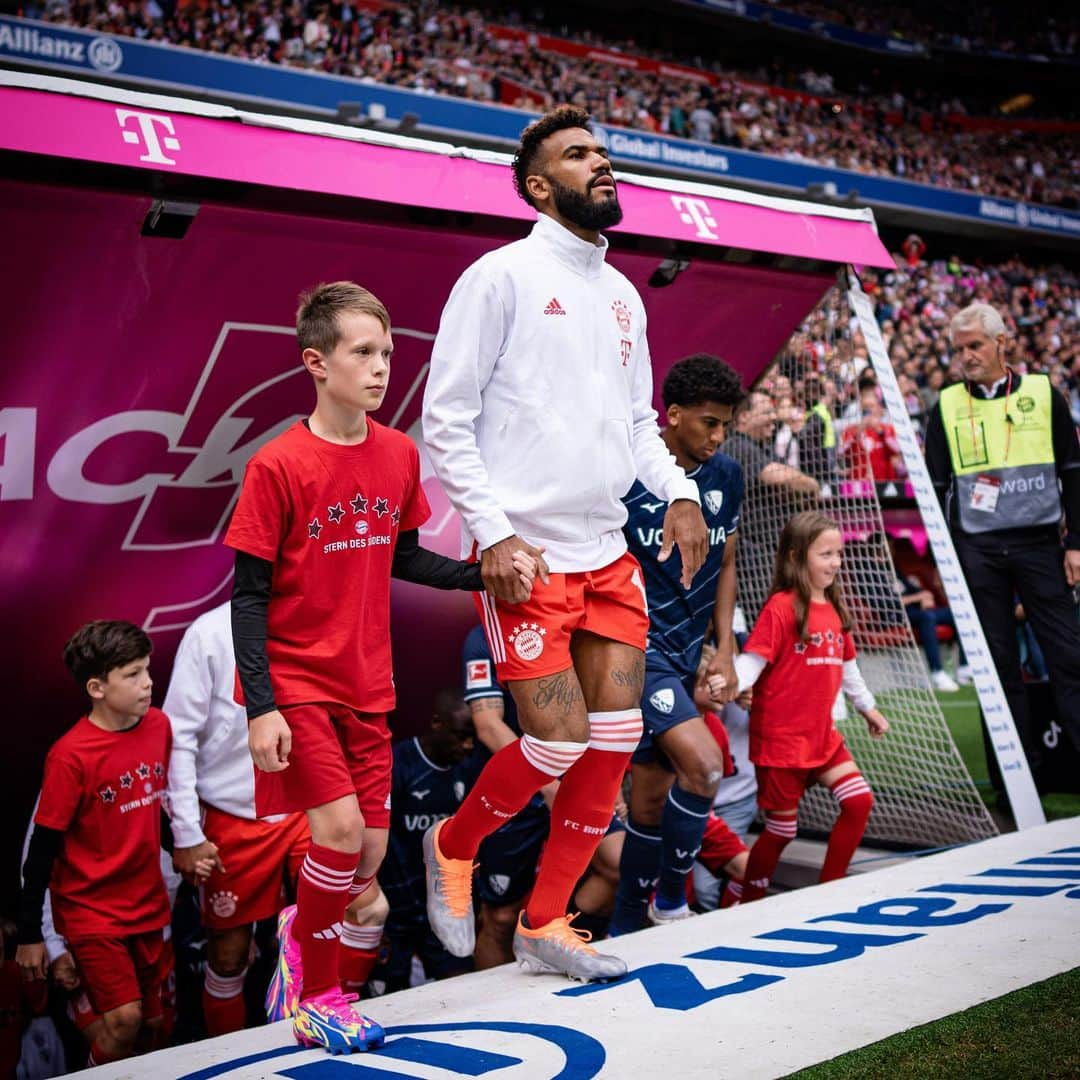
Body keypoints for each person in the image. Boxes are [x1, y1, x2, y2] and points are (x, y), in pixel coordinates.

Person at [421, 104, 708, 982]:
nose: (603, 163)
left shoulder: (623, 295)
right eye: (581, 154)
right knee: (553, 745)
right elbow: (446, 420)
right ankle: (454, 842)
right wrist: (495, 534)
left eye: (606, 151)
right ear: (541, 186)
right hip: (529, 558)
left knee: (615, 740)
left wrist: (685, 493)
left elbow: (634, 424)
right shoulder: (499, 277)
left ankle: (546, 925)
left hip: (606, 552)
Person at [226, 282, 525, 1054]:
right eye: (363, 351)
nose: (381, 366)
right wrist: (262, 707)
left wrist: (482, 570)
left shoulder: (397, 453)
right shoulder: (277, 464)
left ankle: (302, 931)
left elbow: (404, 557)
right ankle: (318, 996)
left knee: (361, 857)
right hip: (295, 684)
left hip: (368, 685)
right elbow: (248, 598)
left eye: (388, 352)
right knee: (336, 835)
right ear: (316, 362)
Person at [610, 353, 745, 933]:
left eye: (725, 424)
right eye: (708, 423)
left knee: (646, 805)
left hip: (690, 654)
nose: (718, 436)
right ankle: (671, 904)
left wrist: (725, 649)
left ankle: (623, 925)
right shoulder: (626, 473)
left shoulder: (728, 477)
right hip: (636, 653)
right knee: (706, 767)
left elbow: (727, 561)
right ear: (672, 416)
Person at [925, 301, 1080, 780]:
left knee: (1069, 656)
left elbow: (1073, 471)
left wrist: (1075, 541)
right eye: (959, 349)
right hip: (978, 550)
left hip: (1040, 545)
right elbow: (936, 487)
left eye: (975, 345)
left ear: (1001, 342)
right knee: (997, 667)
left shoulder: (1043, 392)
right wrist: (949, 559)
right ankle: (1016, 780)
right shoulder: (946, 404)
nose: (966, 356)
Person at [16, 622, 179, 1067]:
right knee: (123, 1021)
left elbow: (155, 811)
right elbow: (41, 849)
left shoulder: (159, 727)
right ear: (97, 687)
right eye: (132, 674)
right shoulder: (70, 756)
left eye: (147, 670)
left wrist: (187, 849)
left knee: (153, 1028)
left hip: (149, 903)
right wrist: (34, 935)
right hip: (92, 912)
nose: (148, 682)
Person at [163, 601, 311, 1035]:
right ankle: (226, 1055)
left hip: (305, 804)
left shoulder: (316, 616)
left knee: (342, 917)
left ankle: (326, 1023)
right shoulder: (209, 633)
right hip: (233, 814)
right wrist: (187, 833)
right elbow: (179, 736)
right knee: (228, 955)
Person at [729, 512, 889, 902]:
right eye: (825, 554)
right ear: (797, 557)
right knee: (782, 831)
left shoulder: (835, 607)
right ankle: (744, 896)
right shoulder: (781, 607)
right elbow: (752, 661)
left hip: (822, 737)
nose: (835, 562)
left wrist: (867, 707)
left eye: (838, 553)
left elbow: (847, 667)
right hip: (781, 741)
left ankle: (830, 891)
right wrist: (733, 685)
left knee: (859, 801)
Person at [370, 691, 481, 995]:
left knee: (459, 984)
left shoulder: (467, 769)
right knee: (387, 992)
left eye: (472, 738)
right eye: (461, 737)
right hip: (396, 903)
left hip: (443, 901)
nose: (468, 746)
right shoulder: (399, 764)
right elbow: (378, 834)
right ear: (436, 723)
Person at [461, 625, 552, 969]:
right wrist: (547, 781)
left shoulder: (574, 615)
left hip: (575, 776)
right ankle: (495, 1008)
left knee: (615, 863)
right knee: (500, 917)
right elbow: (487, 725)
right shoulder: (483, 637)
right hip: (520, 787)